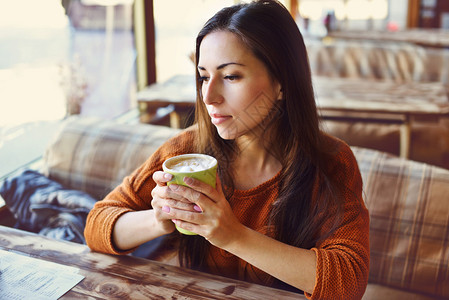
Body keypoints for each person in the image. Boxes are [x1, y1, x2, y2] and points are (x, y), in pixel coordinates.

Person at [84, 1, 369, 299]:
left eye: (231, 76)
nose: (209, 96)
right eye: (204, 76)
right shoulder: (187, 151)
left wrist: (232, 235)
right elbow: (96, 226)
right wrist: (159, 218)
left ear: (283, 81)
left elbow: (348, 283)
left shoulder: (331, 162)